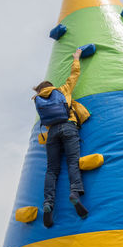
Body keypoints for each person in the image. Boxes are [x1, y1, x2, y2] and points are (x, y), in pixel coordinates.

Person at [33, 49, 90, 228]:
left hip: (52, 134)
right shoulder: (62, 90)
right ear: (51, 85)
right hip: (68, 126)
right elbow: (75, 74)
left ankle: (48, 203)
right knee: (73, 163)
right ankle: (74, 193)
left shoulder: (37, 100)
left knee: (52, 170)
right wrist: (76, 58)